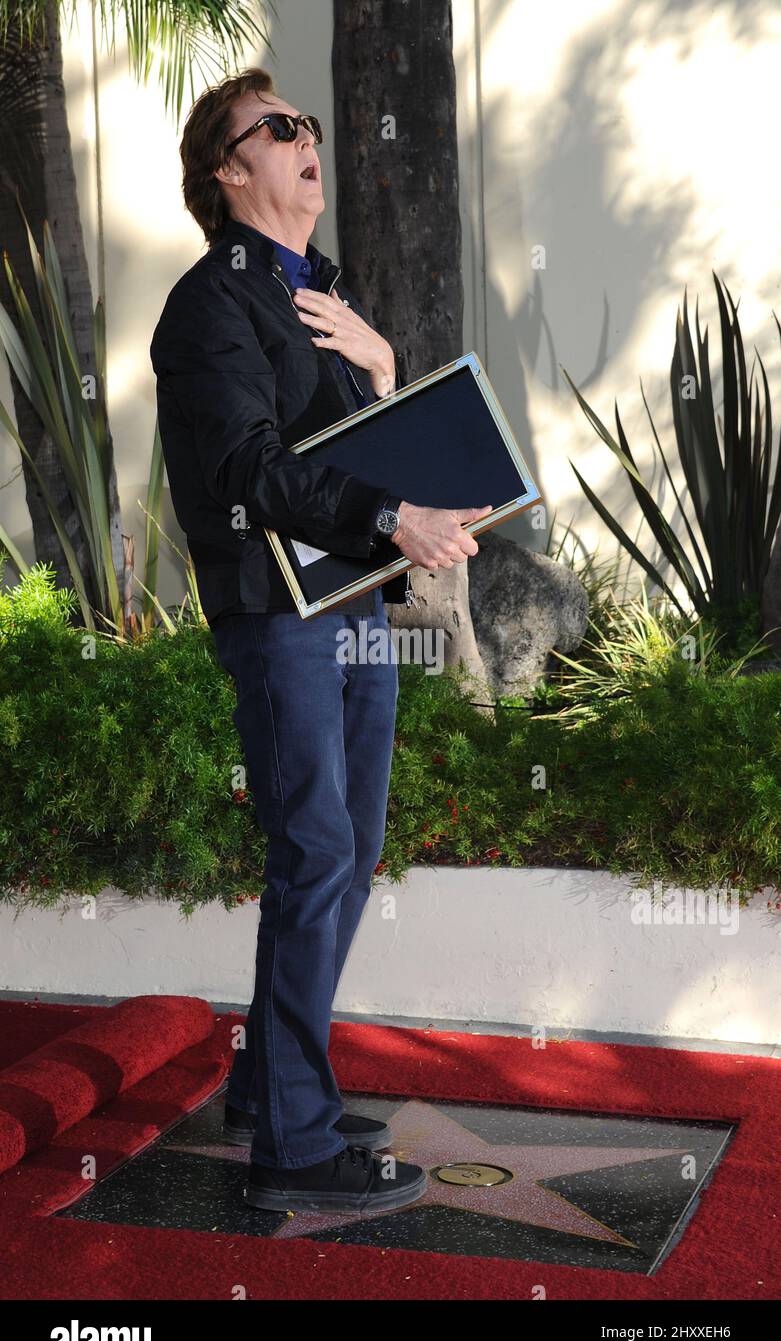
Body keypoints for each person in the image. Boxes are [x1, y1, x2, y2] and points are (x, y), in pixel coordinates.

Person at [150, 68, 491, 1215]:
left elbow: (368, 448)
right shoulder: (211, 304)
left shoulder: (324, 297)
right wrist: (396, 515)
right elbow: (251, 469)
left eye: (306, 124)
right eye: (280, 127)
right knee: (313, 854)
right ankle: (291, 1147)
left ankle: (265, 1083)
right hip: (277, 612)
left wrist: (385, 368)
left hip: (354, 606)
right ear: (228, 169)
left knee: (351, 846)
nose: (308, 139)